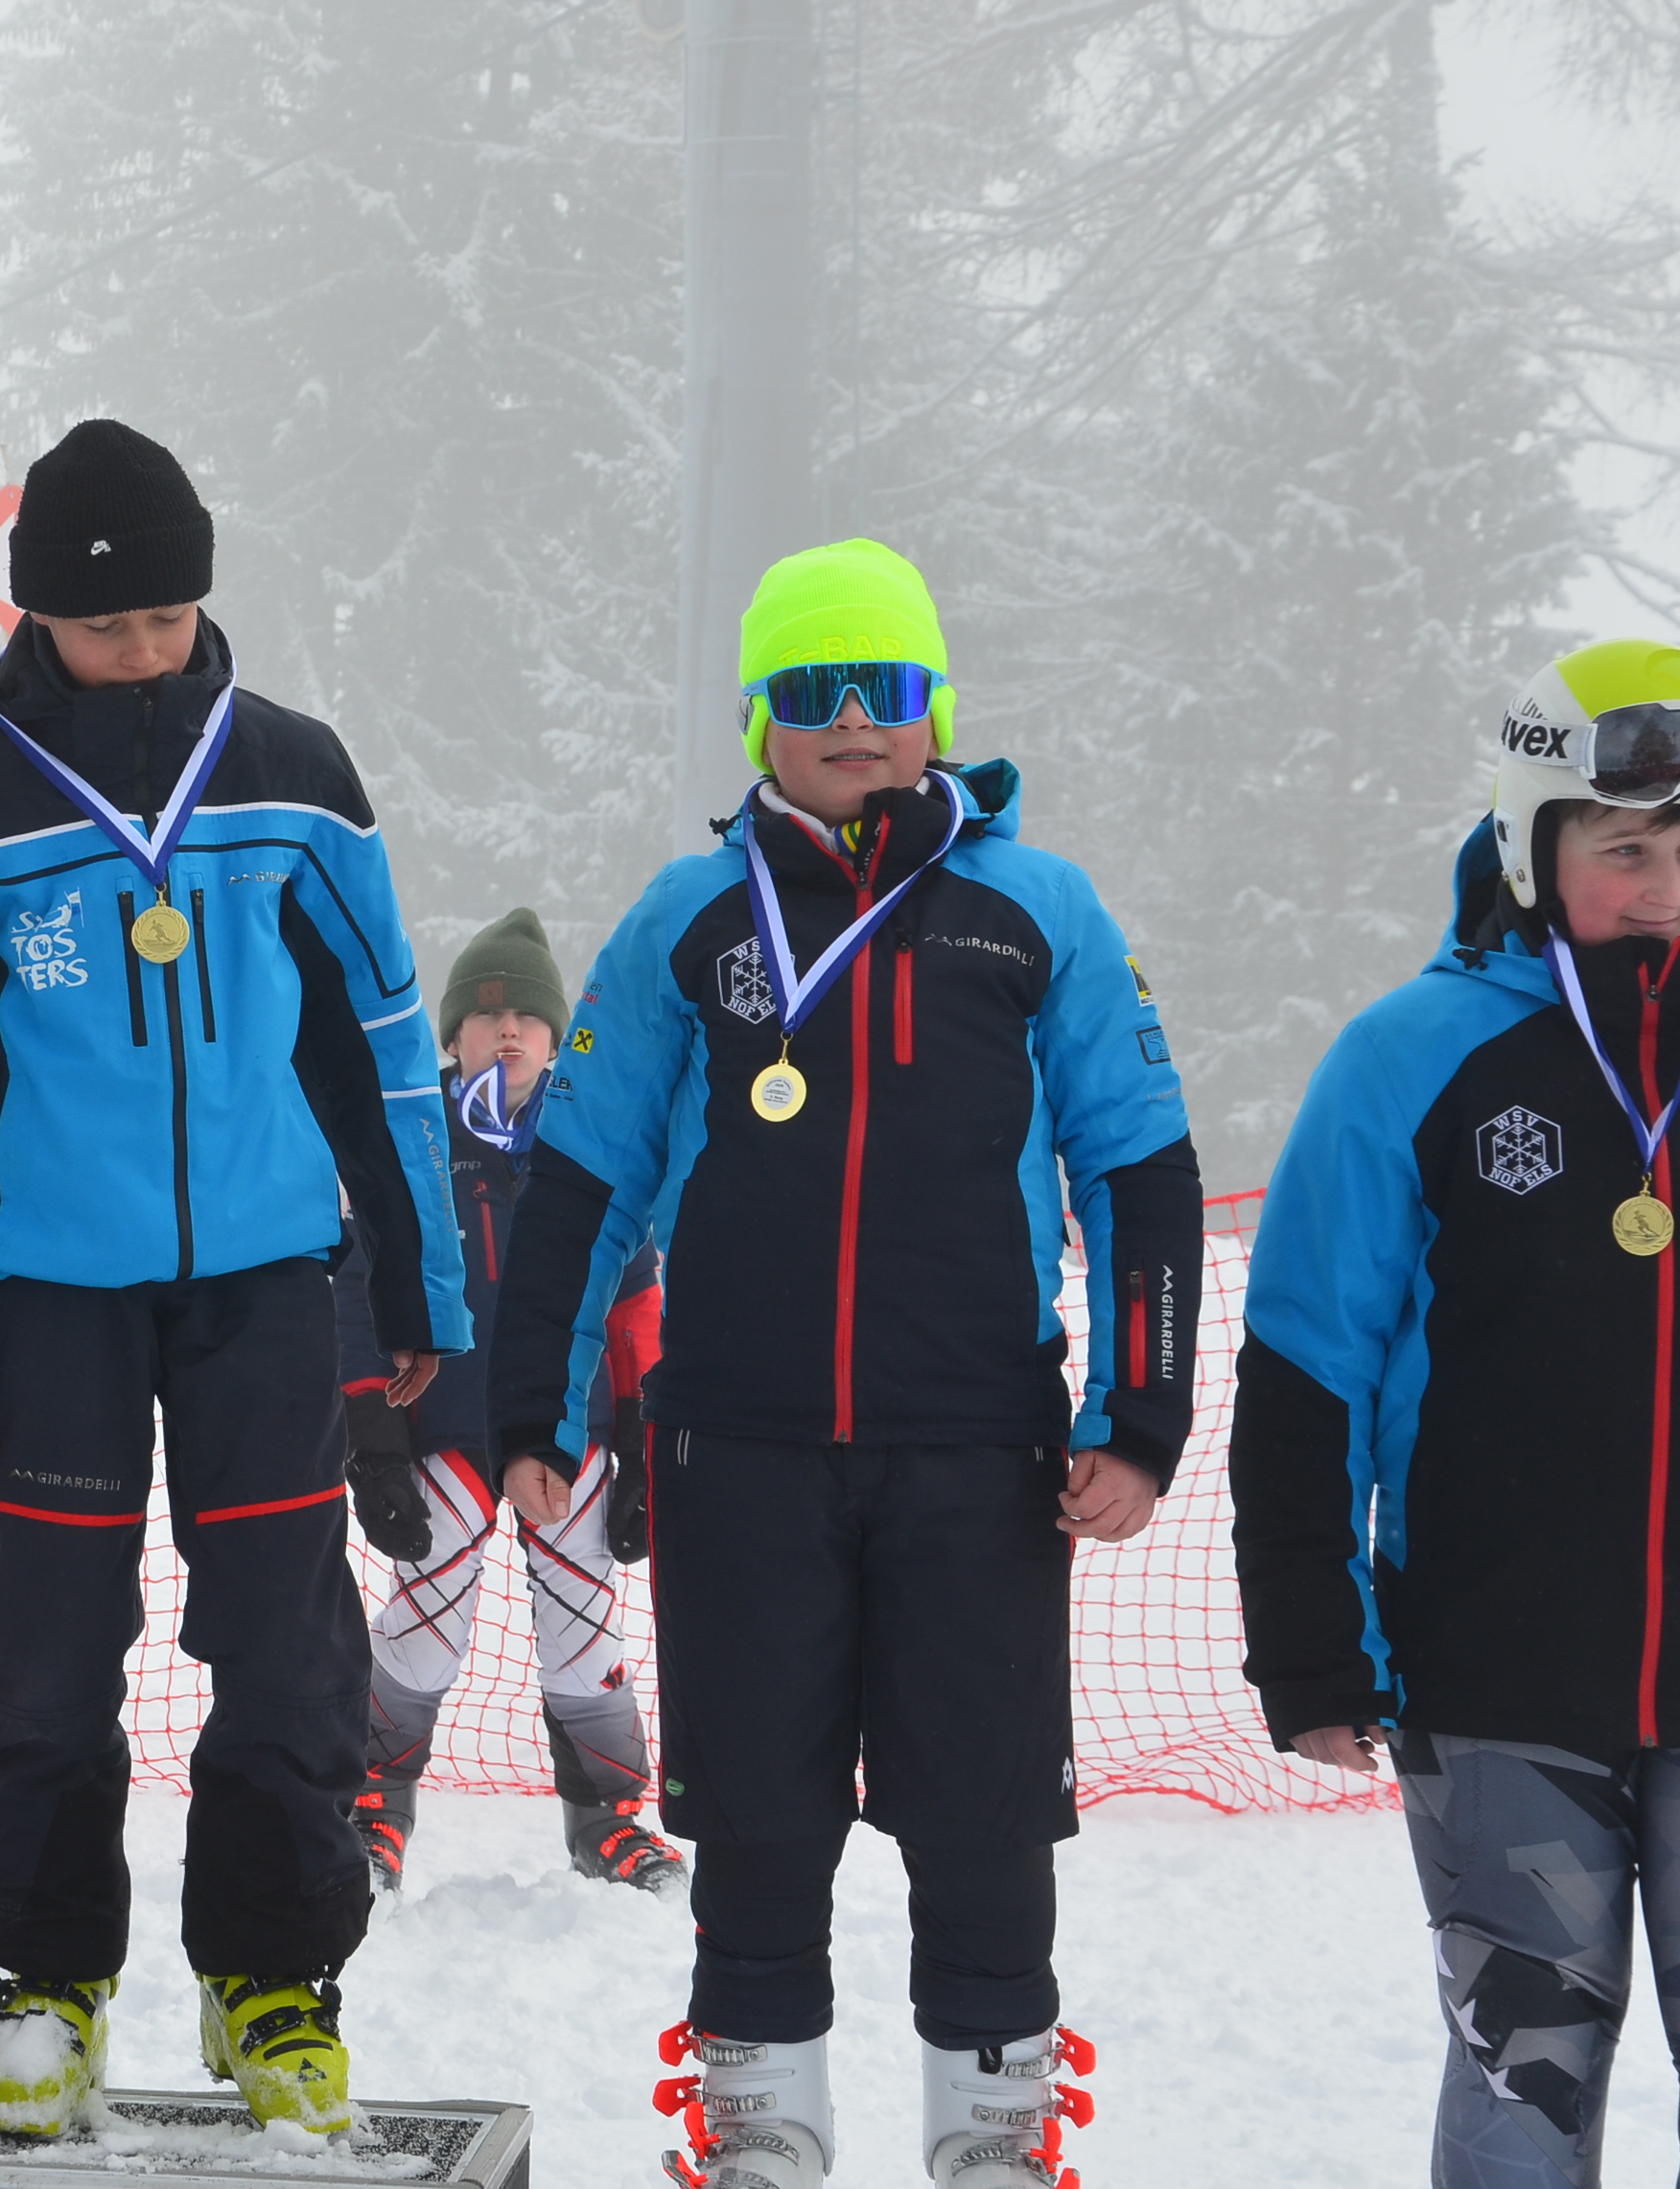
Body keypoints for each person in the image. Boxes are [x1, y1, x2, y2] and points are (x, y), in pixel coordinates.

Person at [486, 540, 1202, 2189]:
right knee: (756, 1819)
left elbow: (1140, 1165)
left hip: (978, 1450)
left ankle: (994, 2140)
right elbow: (581, 1176)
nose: (853, 722)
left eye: (884, 688)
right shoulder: (686, 919)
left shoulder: (1039, 909)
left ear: (935, 706)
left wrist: (1141, 1413)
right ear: (759, 721)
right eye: (811, 693)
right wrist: (533, 1401)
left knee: (983, 1818)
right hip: (737, 1450)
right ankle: (760, 2133)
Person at [1229, 639, 1680, 2188]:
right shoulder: (1410, 1056)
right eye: (1625, 849)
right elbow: (1307, 1360)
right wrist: (1310, 1633)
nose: (1669, 891)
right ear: (1532, 844)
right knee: (1524, 2083)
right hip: (1496, 1677)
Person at [0, 418, 471, 2142]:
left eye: (164, 615)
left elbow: (379, 1041)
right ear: (32, 613)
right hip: (45, 1298)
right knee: (50, 1652)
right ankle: (43, 1978)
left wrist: (420, 1284)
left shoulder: (294, 771)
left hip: (264, 1283)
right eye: (99, 623)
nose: (138, 648)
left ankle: (273, 1974)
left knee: (284, 1640)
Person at [339, 905, 680, 1899]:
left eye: (527, 1018)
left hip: (569, 1436)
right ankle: (374, 1803)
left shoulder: (591, 1141)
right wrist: (372, 1436)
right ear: (454, 1037)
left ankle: (606, 1818)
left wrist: (643, 1436)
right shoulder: (411, 1140)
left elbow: (637, 1304)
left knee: (584, 1625)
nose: (508, 1033)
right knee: (425, 1622)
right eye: (486, 1019)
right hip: (444, 1429)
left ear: (556, 1037)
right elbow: (358, 1293)